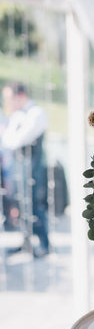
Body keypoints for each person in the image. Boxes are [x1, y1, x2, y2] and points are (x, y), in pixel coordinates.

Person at [1, 82, 49, 257]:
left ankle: (44, 244)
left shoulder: (37, 113)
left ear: (20, 96)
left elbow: (15, 141)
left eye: (9, 99)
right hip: (19, 167)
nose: (7, 103)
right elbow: (7, 141)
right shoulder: (19, 115)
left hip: (34, 167)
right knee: (21, 203)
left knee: (35, 205)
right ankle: (27, 242)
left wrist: (10, 133)